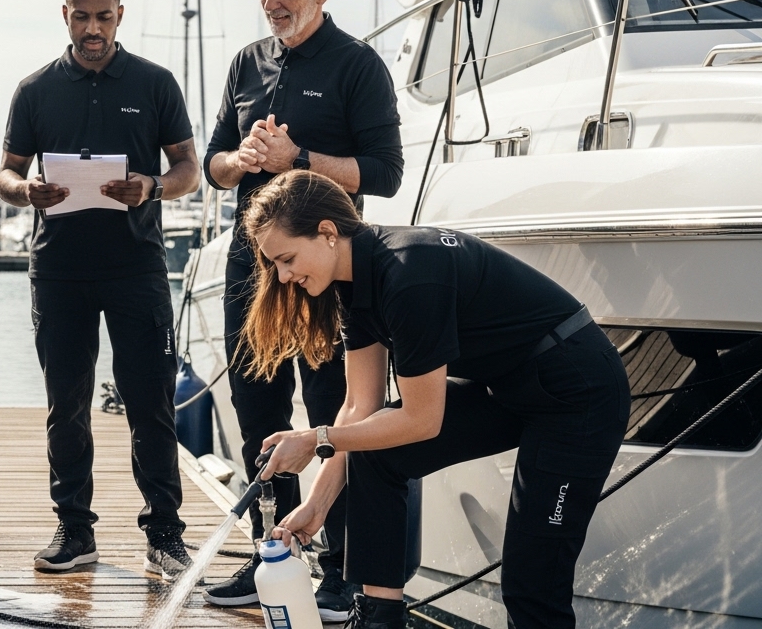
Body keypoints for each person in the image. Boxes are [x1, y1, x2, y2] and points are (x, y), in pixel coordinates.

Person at [245, 171, 628, 629]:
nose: (283, 277)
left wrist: (315, 439)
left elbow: (422, 420)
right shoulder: (355, 286)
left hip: (576, 393)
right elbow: (360, 408)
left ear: (327, 232)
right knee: (373, 447)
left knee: (532, 583)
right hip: (508, 388)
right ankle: (379, 619)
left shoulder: (408, 274)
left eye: (286, 259)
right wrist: (317, 505)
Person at [200, 0, 403, 617]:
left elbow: (385, 173)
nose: (270, 2)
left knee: (329, 411)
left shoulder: (357, 66)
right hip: (250, 264)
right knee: (257, 409)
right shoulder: (246, 61)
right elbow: (213, 164)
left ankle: (340, 572)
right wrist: (243, 160)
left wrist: (300, 158)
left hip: (324, 268)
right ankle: (272, 555)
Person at [0, 0, 201, 579]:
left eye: (103, 17)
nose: (92, 29)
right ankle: (75, 531)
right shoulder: (34, 90)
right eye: (81, 17)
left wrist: (152, 187)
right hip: (58, 271)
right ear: (65, 15)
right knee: (66, 406)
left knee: (151, 404)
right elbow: (4, 174)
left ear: (119, 16)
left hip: (137, 268)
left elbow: (188, 168)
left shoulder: (154, 83)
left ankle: (164, 534)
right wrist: (25, 191)